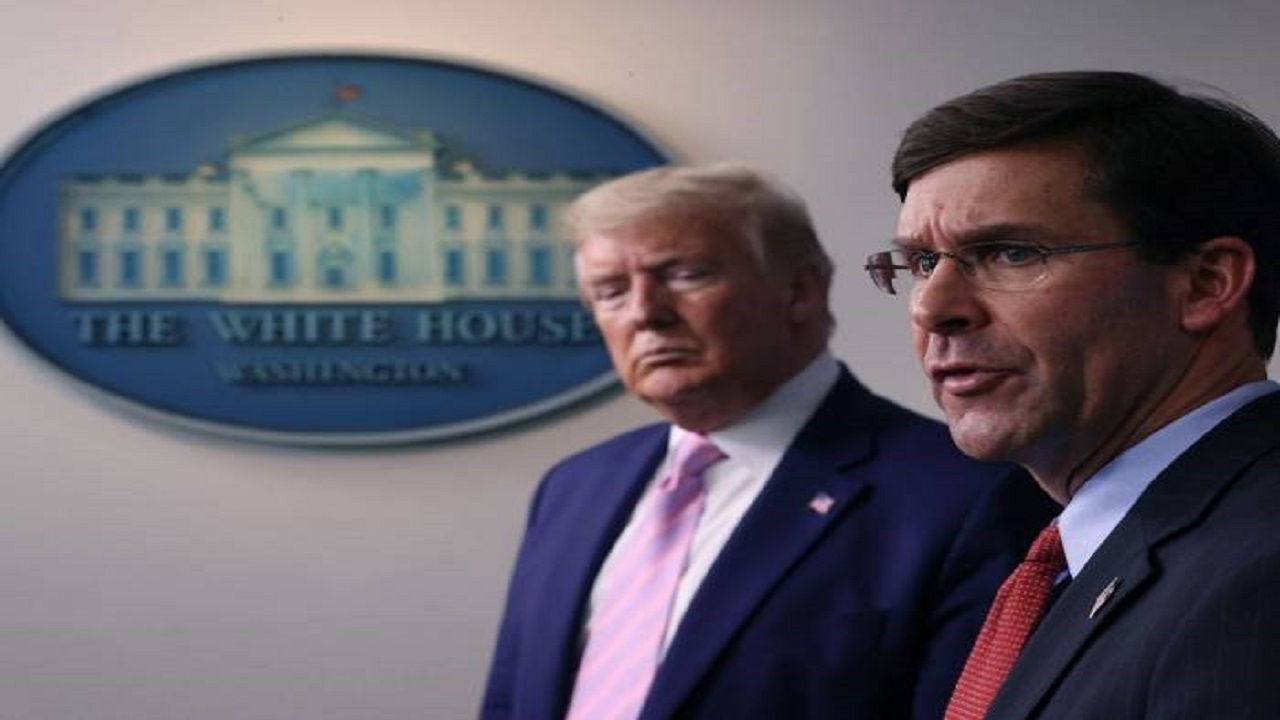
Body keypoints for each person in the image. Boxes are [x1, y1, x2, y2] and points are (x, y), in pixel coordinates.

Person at [479, 163, 1054, 720]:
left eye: (685, 275)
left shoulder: (967, 497)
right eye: (610, 292)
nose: (646, 314)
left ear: (800, 290)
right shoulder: (573, 487)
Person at [872, 70, 1280, 719]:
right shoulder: (1085, 556)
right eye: (922, 263)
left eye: (1010, 253)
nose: (932, 308)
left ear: (1206, 284)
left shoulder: (1260, 573)